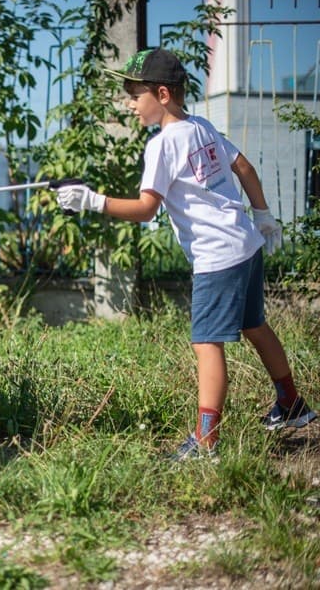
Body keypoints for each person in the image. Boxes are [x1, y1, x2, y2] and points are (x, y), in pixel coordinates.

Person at [55, 48, 316, 460]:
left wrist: (92, 201)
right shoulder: (202, 126)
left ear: (161, 94)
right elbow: (244, 166)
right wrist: (262, 215)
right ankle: (292, 404)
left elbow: (145, 210)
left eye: (133, 94)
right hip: (245, 244)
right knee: (255, 326)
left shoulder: (162, 145)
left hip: (217, 257)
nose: (128, 103)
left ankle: (206, 441)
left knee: (206, 344)